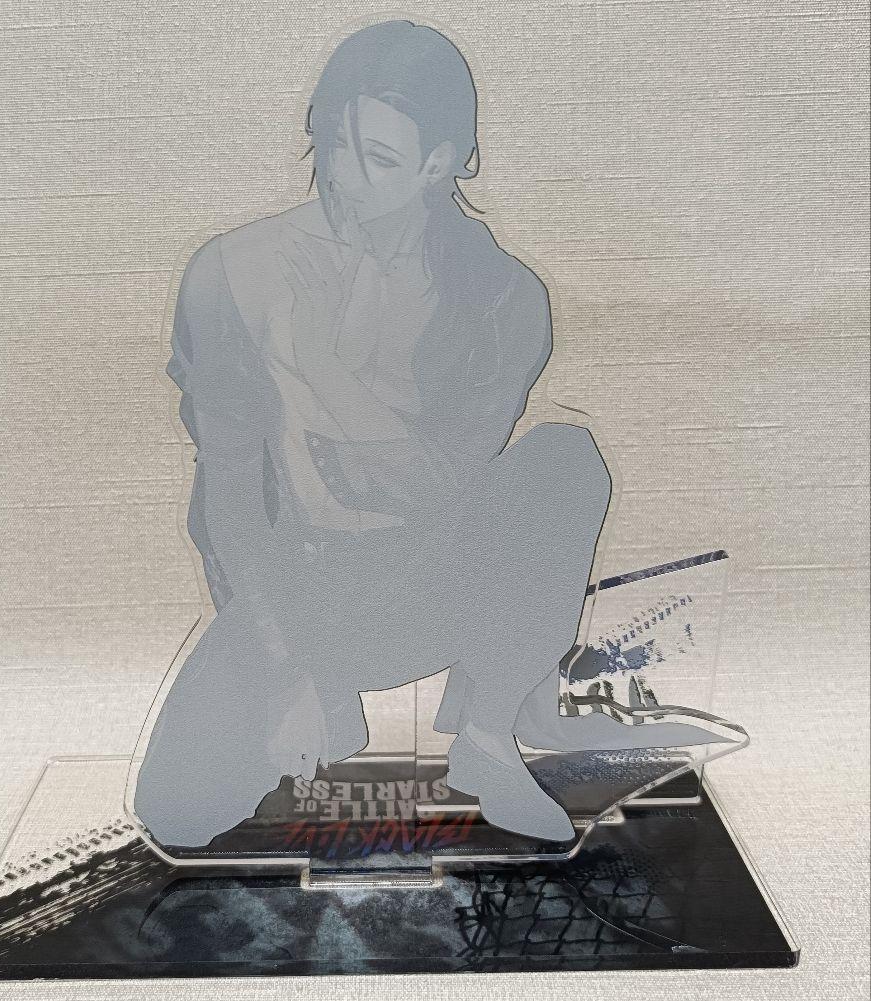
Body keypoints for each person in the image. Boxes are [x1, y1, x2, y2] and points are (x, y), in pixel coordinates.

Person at [132, 20, 730, 850]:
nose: (341, 179)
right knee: (176, 813)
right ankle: (332, 700)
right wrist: (288, 663)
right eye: (329, 145)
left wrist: (313, 365)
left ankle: (490, 734)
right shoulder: (230, 272)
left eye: (377, 159)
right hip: (292, 586)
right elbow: (226, 493)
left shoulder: (500, 297)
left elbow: (432, 489)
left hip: (433, 578)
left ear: (442, 162)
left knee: (563, 462)